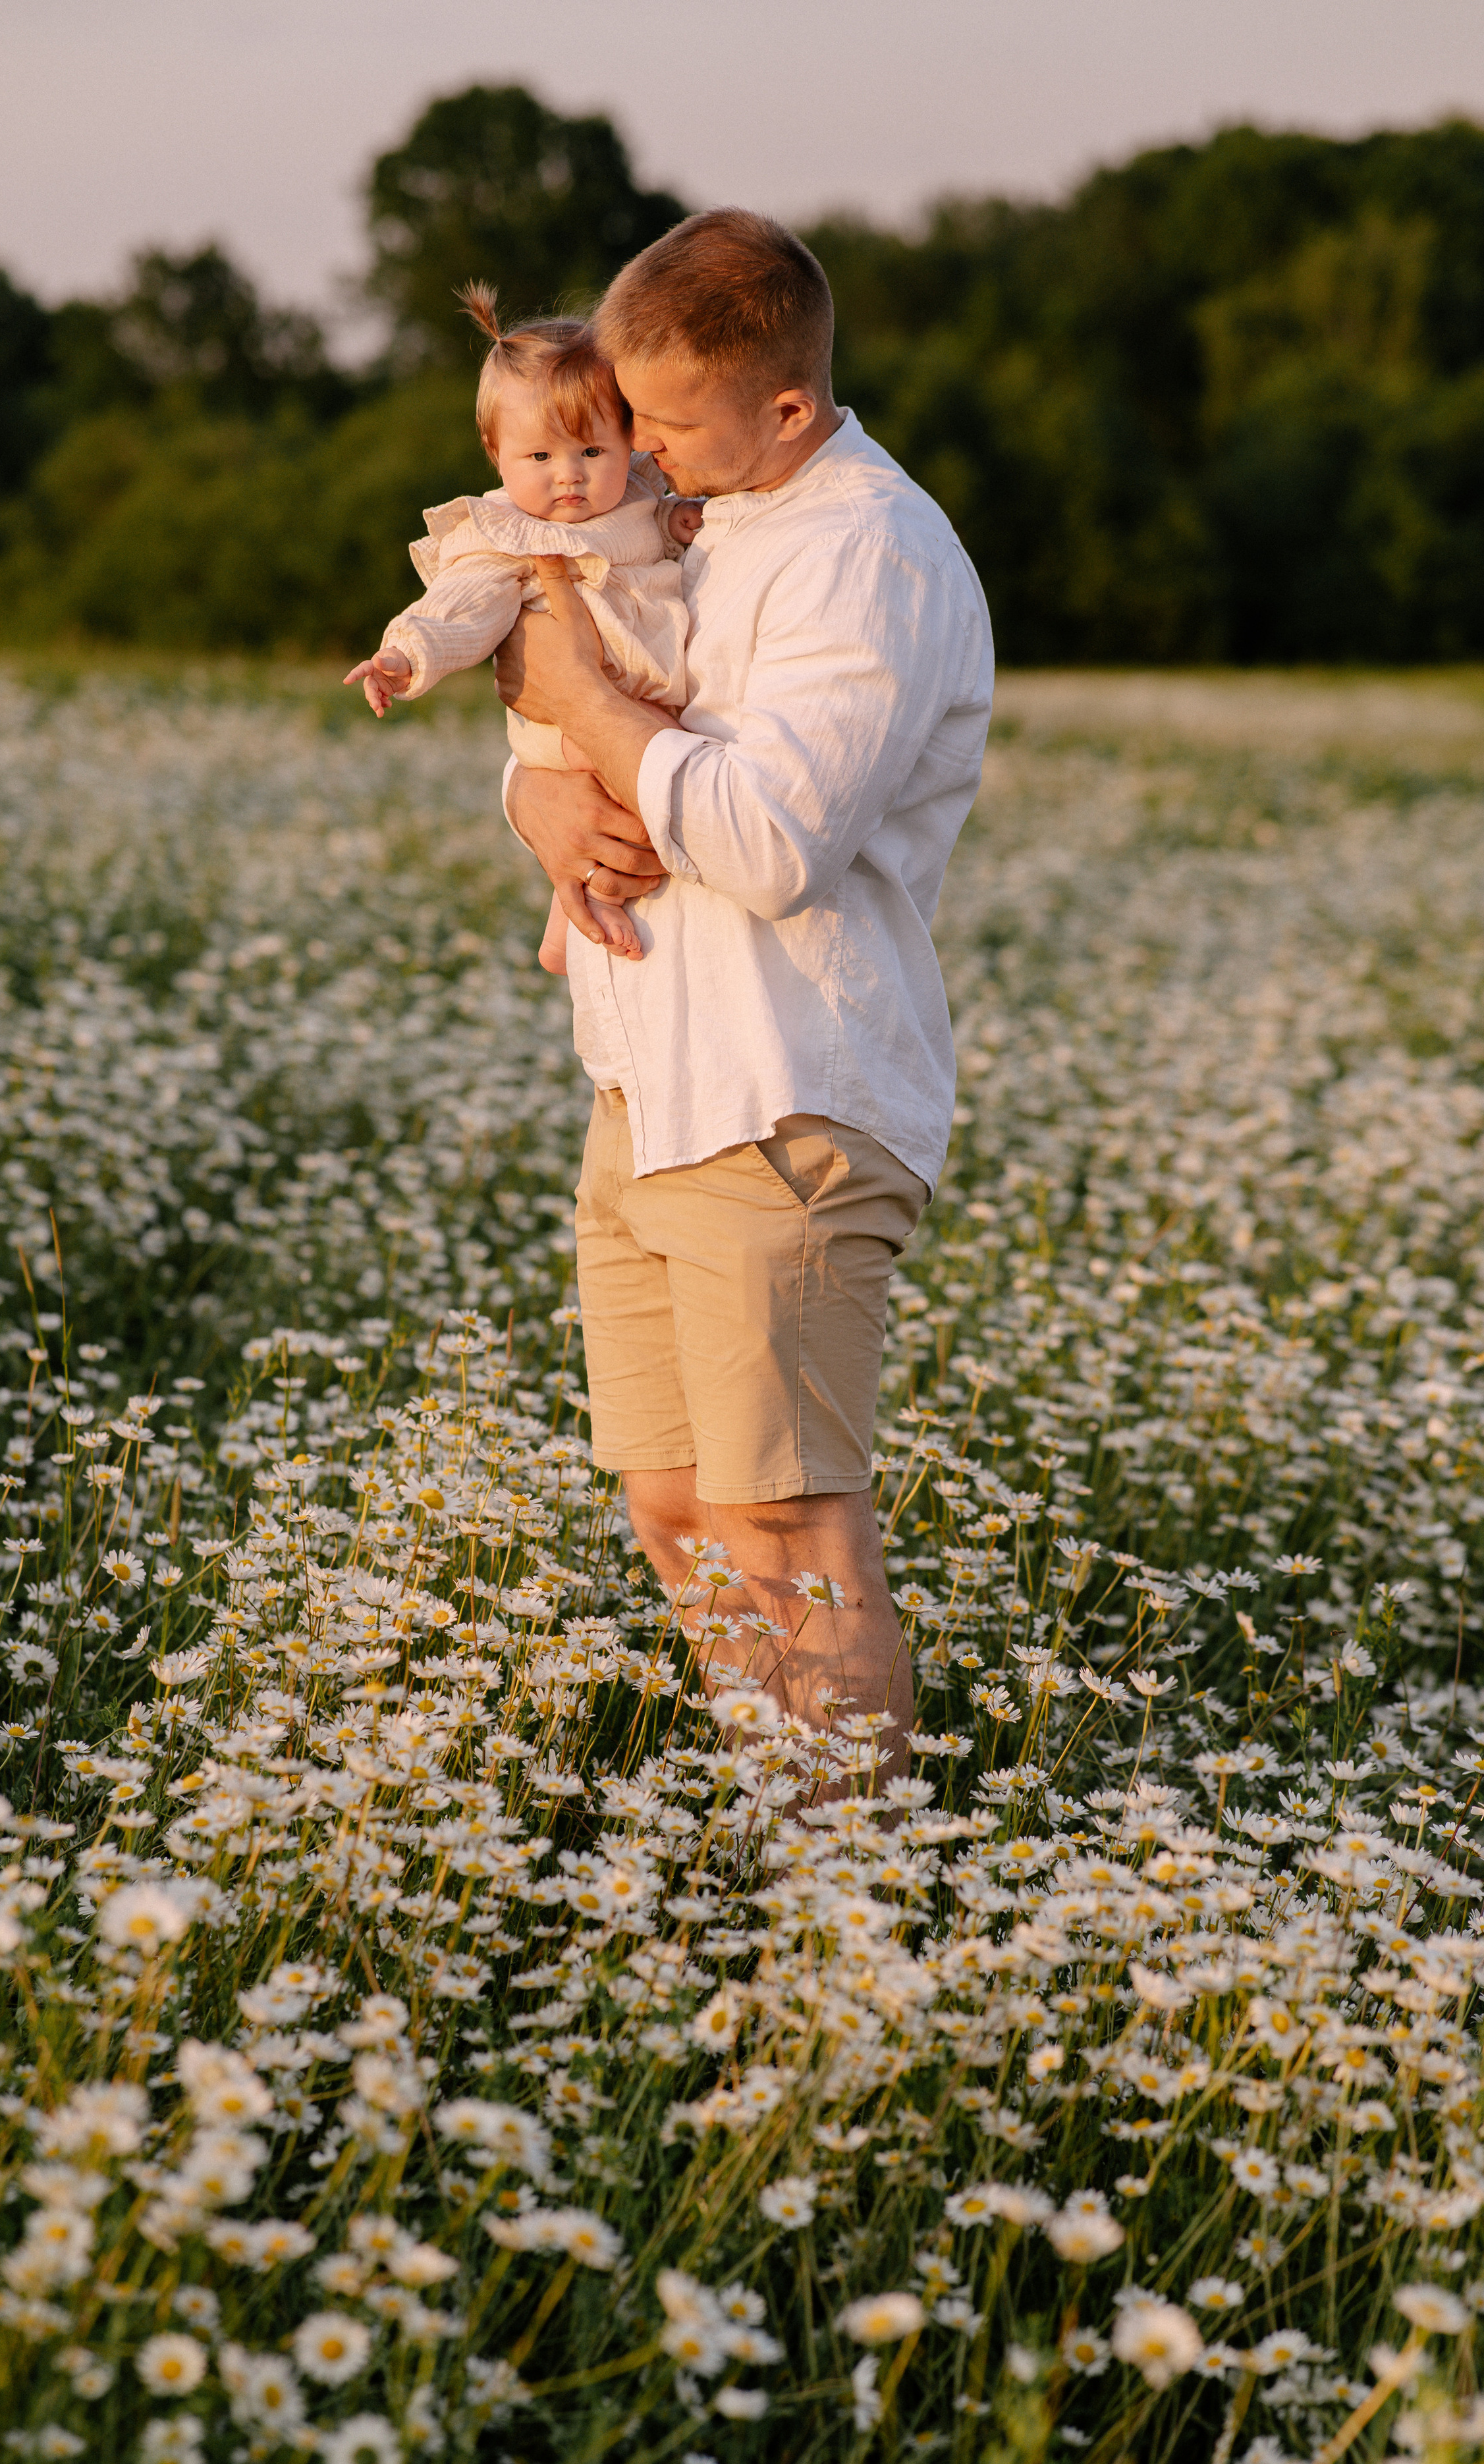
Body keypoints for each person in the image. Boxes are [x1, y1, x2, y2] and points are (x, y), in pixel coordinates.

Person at [494, 209, 993, 1782]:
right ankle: (778, 1821)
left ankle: (847, 1904)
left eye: (665, 420)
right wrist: (535, 800)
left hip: (784, 1096)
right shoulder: (710, 506)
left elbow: (770, 841)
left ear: (784, 406)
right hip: (647, 1084)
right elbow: (582, 723)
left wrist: (572, 693)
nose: (630, 445)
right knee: (673, 1507)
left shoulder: (869, 549)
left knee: (788, 1527)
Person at [342, 287, 703, 973]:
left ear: (626, 440)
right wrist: (404, 655)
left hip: (633, 702)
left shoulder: (637, 496)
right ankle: (568, 923)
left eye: (591, 451)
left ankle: (578, 915)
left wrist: (673, 522)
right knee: (614, 806)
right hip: (569, 722)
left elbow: (643, 531)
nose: (568, 476)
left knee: (634, 801)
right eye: (540, 458)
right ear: (495, 452)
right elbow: (460, 605)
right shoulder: (505, 534)